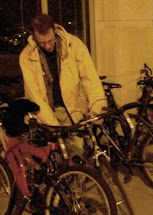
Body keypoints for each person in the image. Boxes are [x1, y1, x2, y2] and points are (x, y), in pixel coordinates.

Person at [19, 13, 106, 154]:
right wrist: (52, 125)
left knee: (77, 155)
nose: (47, 46)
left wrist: (96, 108)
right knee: (55, 158)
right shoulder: (26, 56)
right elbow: (34, 95)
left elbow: (90, 78)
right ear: (34, 37)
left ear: (55, 30)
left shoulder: (73, 45)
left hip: (73, 110)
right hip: (45, 112)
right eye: (42, 43)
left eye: (50, 40)